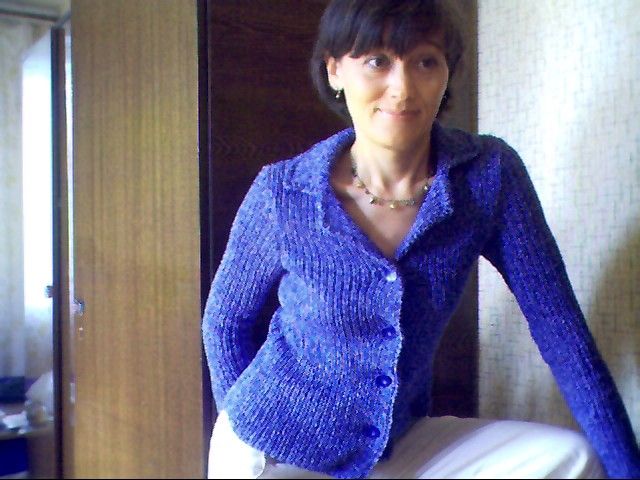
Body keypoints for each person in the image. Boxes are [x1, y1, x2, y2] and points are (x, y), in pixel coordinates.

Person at [202, 0, 640, 478]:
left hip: (396, 442)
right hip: (279, 451)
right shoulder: (284, 192)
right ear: (335, 70)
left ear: (447, 72)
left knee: (570, 458)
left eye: (425, 61)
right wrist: (246, 432)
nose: (403, 88)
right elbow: (225, 322)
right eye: (378, 61)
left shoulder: (487, 176)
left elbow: (563, 335)